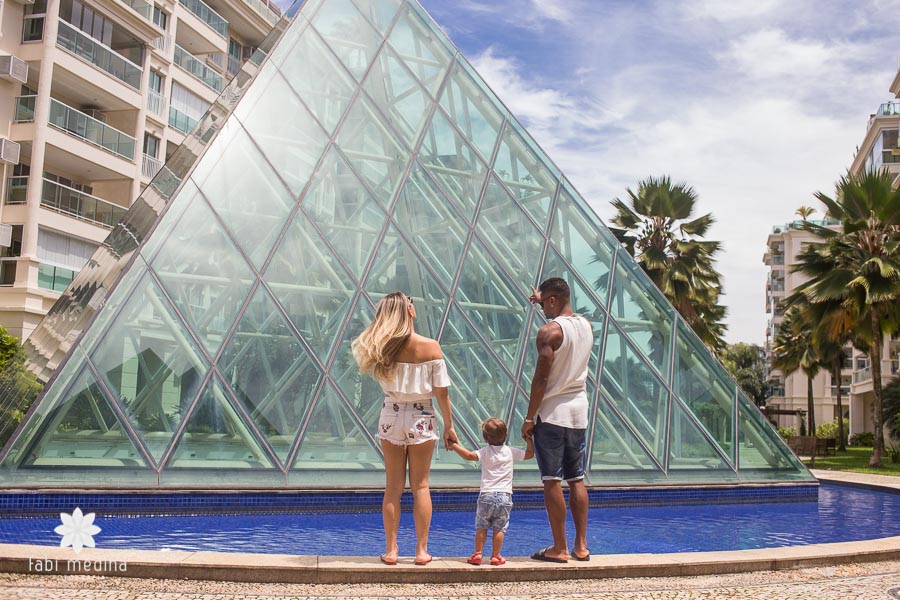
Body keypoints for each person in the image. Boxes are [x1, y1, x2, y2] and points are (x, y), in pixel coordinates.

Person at [351, 291, 457, 566]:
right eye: (411, 303)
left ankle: (391, 550)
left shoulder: (382, 349)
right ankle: (421, 551)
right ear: (408, 311)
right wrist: (449, 426)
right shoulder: (430, 346)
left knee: (393, 488)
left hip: (391, 414)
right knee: (421, 486)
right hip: (422, 416)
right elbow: (442, 393)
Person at [521, 277, 593, 563]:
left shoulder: (548, 333)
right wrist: (542, 300)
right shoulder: (586, 326)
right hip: (579, 413)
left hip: (551, 415)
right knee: (576, 479)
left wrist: (529, 418)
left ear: (552, 300)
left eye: (545, 304)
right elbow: (563, 322)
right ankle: (581, 546)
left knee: (552, 481)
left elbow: (540, 379)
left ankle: (559, 548)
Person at [449, 417, 534, 566]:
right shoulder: (510, 451)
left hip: (486, 495)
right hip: (505, 496)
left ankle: (477, 554)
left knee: (482, 526)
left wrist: (454, 446)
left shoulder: (485, 452)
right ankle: (495, 556)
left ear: (485, 438)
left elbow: (469, 456)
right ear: (506, 434)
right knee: (499, 528)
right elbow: (529, 454)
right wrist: (528, 440)